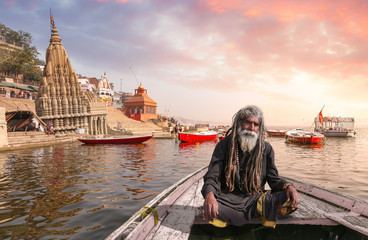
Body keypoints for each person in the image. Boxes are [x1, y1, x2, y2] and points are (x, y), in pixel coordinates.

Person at [202, 105, 299, 228]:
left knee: (289, 199)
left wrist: (289, 187)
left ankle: (259, 210)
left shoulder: (266, 149)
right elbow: (212, 176)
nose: (251, 128)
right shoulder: (224, 145)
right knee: (212, 207)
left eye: (256, 124)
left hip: (255, 198)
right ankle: (260, 213)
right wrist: (210, 196)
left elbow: (273, 179)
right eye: (247, 122)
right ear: (239, 123)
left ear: (259, 128)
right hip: (228, 200)